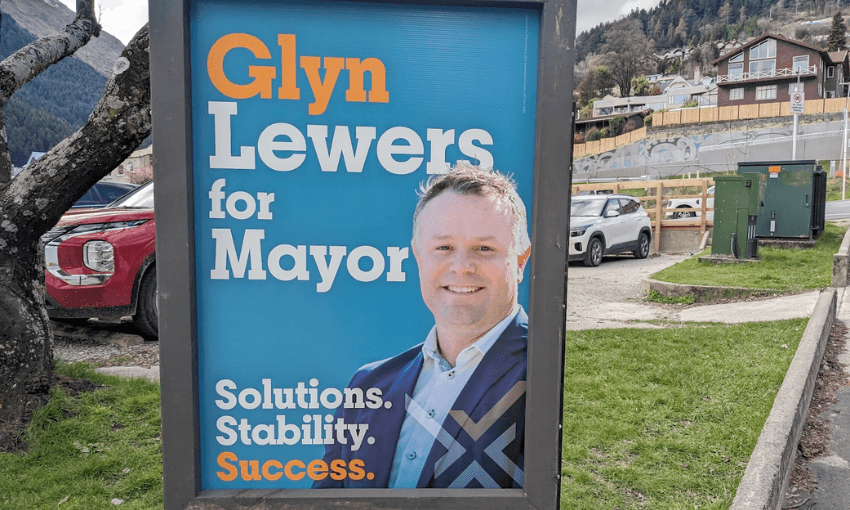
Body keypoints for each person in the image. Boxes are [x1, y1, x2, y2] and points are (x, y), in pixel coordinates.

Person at [314, 163, 531, 489]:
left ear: (519, 261)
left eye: (484, 248)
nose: (461, 267)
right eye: (443, 247)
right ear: (418, 256)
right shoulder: (368, 385)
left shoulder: (551, 377)